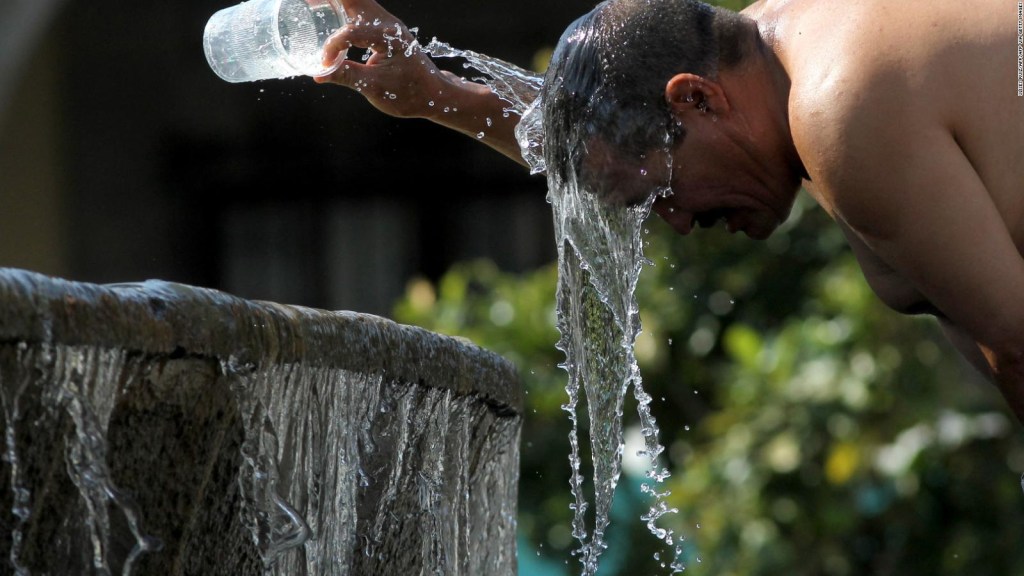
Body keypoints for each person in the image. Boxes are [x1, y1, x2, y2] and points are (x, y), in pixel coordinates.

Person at [314, 0, 1024, 422]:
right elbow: (608, 135)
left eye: (660, 195)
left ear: (698, 99)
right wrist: (431, 90)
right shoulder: (789, 42)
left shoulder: (840, 113)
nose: (678, 222)